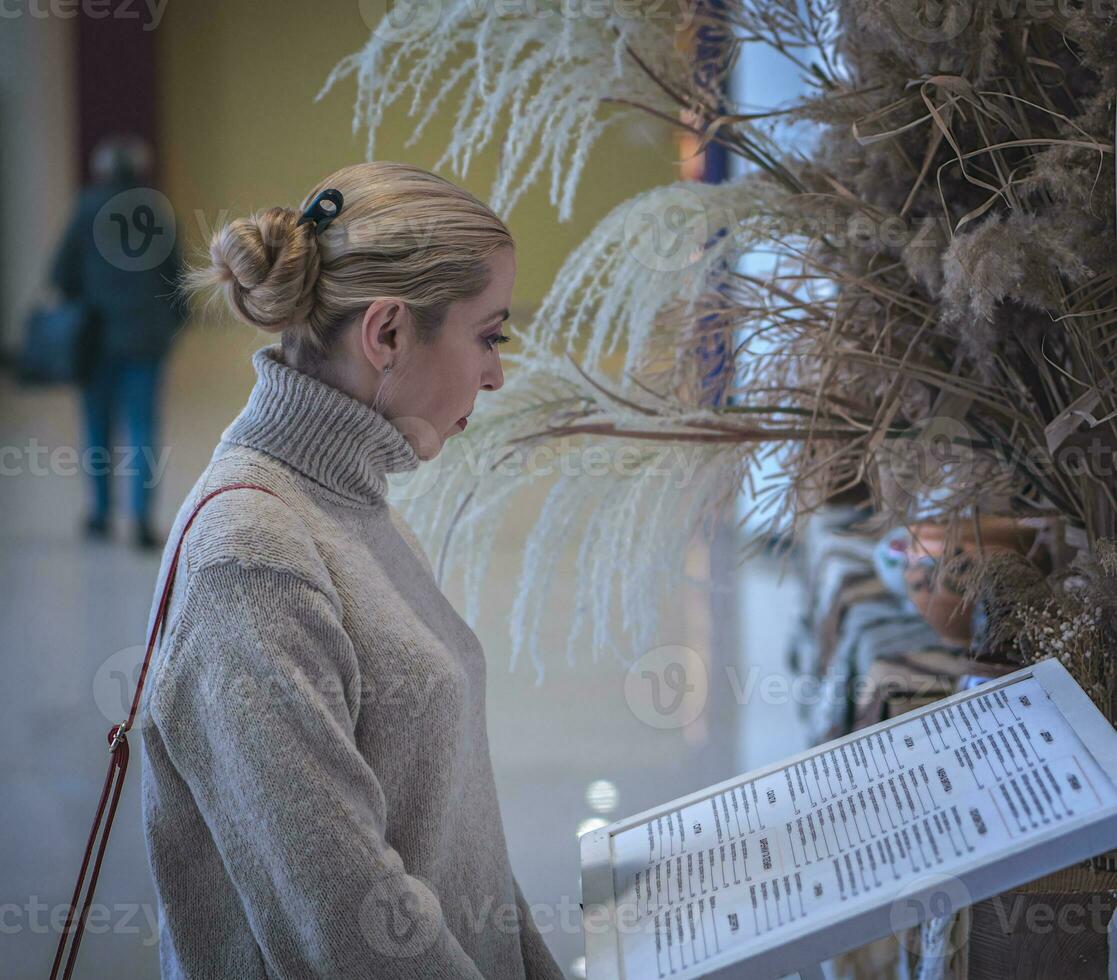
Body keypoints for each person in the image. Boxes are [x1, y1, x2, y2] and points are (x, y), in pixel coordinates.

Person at [139, 162, 565, 979]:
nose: (495, 374)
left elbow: (446, 837)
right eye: (489, 335)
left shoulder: (350, 500)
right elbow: (352, 929)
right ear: (388, 334)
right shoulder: (250, 558)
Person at [49, 134, 185, 549]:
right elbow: (175, 277)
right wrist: (172, 324)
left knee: (97, 426)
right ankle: (142, 521)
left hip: (95, 337)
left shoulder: (87, 208)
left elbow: (61, 273)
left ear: (102, 170)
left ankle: (100, 514)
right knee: (142, 427)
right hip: (146, 338)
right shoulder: (156, 210)